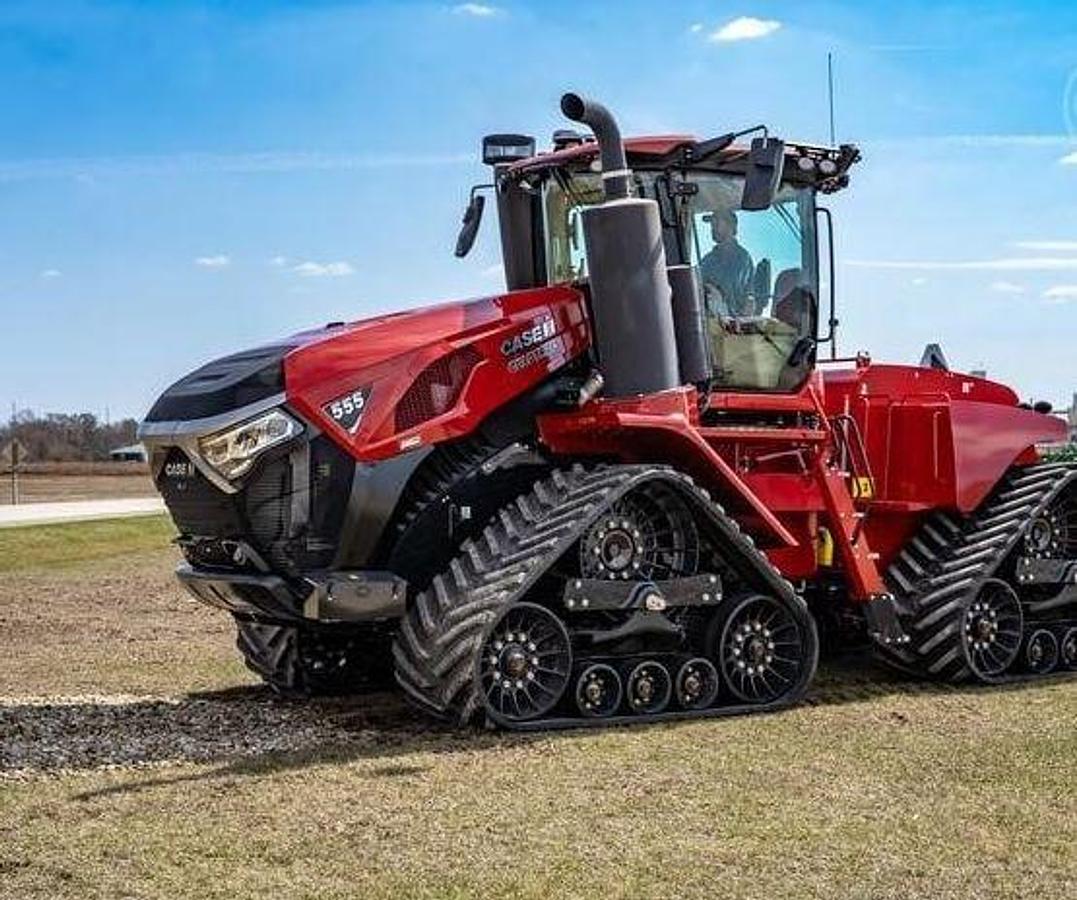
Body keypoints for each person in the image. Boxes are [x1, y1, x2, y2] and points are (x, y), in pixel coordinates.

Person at [699, 207, 754, 317]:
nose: (713, 227)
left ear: (731, 226)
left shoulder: (743, 258)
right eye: (712, 223)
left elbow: (747, 297)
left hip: (733, 323)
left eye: (717, 222)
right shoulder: (707, 260)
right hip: (711, 321)